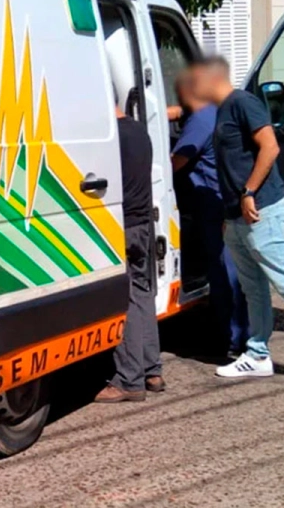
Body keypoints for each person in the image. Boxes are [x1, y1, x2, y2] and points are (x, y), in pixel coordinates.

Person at [190, 56, 284, 390]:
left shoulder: (244, 102)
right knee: (252, 287)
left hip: (261, 209)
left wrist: (249, 192)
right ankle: (257, 355)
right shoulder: (221, 110)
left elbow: (269, 148)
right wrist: (231, 214)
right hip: (237, 216)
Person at [170, 72, 250, 357]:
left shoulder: (199, 121)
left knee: (223, 273)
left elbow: (176, 163)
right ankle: (237, 336)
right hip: (222, 200)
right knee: (232, 271)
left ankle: (233, 342)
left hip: (212, 205)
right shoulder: (212, 112)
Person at [96, 97, 165, 402]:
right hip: (143, 224)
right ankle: (153, 371)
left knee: (124, 301)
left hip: (121, 226)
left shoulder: (110, 138)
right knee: (142, 294)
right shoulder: (140, 132)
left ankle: (129, 380)